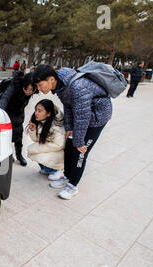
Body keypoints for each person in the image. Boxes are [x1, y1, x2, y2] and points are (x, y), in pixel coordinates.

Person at [33, 65, 112, 200]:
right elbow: (68, 106)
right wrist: (69, 127)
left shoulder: (78, 87)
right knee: (69, 147)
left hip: (97, 118)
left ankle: (73, 186)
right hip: (82, 116)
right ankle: (67, 177)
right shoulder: (61, 86)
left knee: (80, 152)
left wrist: (80, 141)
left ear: (51, 79)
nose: (39, 89)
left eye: (40, 85)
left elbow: (83, 116)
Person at [0, 71, 37, 166]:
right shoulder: (13, 86)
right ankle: (8, 155)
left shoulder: (31, 90)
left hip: (18, 113)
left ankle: (19, 155)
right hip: (7, 112)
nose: (29, 92)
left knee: (18, 137)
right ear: (23, 85)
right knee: (7, 137)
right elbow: (4, 98)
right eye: (27, 89)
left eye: (32, 90)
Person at [27, 99, 65, 181]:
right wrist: (33, 130)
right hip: (51, 149)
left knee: (37, 152)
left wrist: (40, 148)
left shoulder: (56, 126)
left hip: (60, 153)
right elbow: (36, 140)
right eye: (36, 110)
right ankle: (48, 169)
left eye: (39, 111)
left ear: (48, 113)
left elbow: (59, 145)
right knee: (34, 151)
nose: (36, 113)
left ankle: (58, 171)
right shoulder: (42, 122)